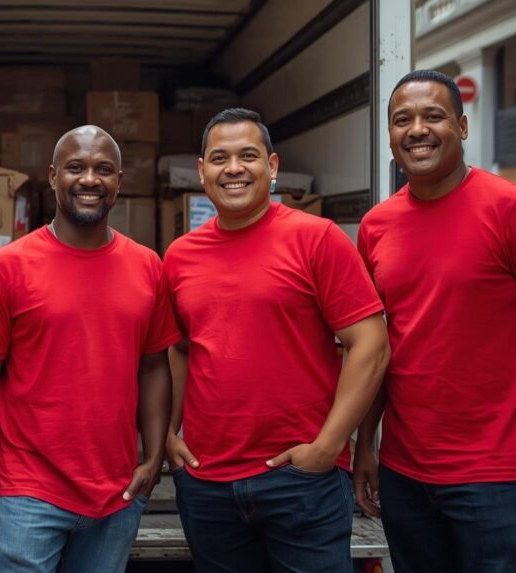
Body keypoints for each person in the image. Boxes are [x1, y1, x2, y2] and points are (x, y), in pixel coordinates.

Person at [354, 70, 516, 572]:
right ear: (389, 134)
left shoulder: (515, 210)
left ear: (463, 127)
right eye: (402, 120)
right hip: (405, 476)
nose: (417, 130)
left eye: (434, 117)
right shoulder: (376, 226)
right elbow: (378, 347)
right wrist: (367, 445)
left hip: (497, 479)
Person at [162, 108, 390, 572]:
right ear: (202, 170)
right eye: (219, 158)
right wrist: (168, 435)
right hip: (208, 483)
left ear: (273, 166)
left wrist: (328, 447)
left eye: (248, 155)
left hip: (300, 479)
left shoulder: (317, 239)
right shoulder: (180, 255)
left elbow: (371, 344)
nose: (233, 168)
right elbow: (179, 348)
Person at [0, 125, 179, 572]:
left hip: (117, 494)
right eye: (76, 167)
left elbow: (155, 367)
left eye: (104, 169)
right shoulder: (6, 268)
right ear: (53, 175)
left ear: (120, 180)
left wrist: (154, 457)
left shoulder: (148, 267)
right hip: (30, 493)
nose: (90, 180)